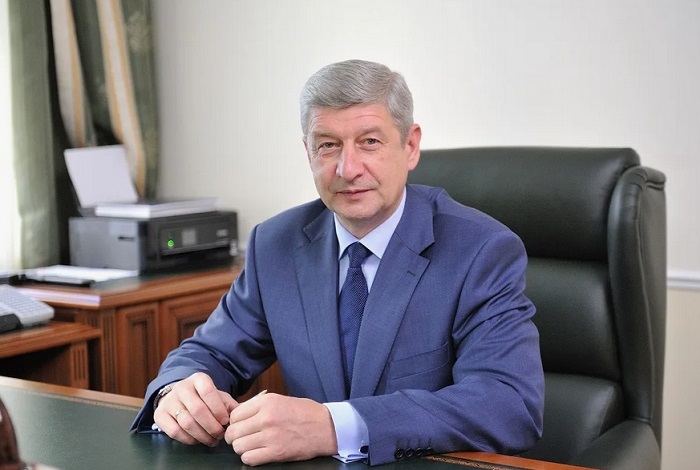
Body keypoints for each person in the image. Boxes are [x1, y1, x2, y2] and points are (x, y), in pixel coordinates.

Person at [131, 59, 544, 466]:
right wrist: (178, 391)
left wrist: (334, 426)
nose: (347, 169)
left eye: (370, 142)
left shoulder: (480, 250)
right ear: (308, 152)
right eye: (328, 145)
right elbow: (211, 353)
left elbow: (509, 404)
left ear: (410, 146)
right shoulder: (275, 244)